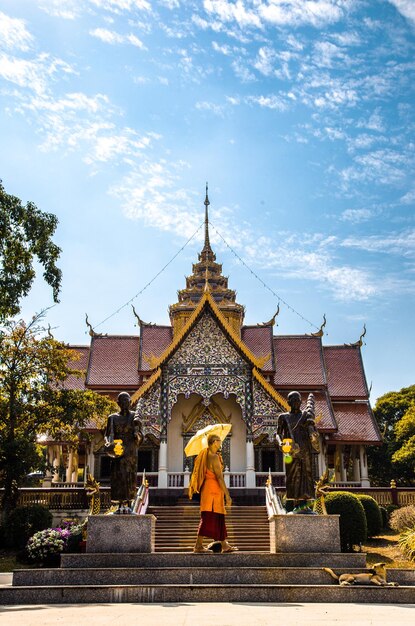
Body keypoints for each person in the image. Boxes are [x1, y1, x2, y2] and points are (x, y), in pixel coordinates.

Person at [189, 434, 238, 553]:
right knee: (207, 518)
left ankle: (224, 545)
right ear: (214, 442)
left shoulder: (206, 456)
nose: (220, 442)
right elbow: (220, 478)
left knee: (218, 518)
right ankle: (198, 546)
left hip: (209, 490)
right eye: (219, 440)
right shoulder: (214, 457)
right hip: (213, 491)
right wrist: (227, 495)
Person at [277, 391, 318, 513]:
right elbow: (278, 434)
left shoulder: (306, 416)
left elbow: (312, 433)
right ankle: (295, 505)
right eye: (292, 400)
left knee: (306, 476)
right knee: (293, 478)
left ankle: (304, 505)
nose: (295, 402)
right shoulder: (283, 417)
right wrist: (280, 443)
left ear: (301, 402)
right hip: (291, 451)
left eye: (297, 400)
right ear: (288, 402)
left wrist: (313, 433)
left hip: (305, 450)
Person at [104, 392, 143, 508]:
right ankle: (120, 504)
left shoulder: (135, 417)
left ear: (131, 402)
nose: (126, 403)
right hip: (118, 449)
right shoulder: (113, 418)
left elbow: (141, 436)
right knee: (118, 477)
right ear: (118, 403)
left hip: (131, 451)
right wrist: (108, 443)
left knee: (130, 477)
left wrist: (137, 434)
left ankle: (130, 503)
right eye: (123, 401)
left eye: (128, 401)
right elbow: (108, 434)